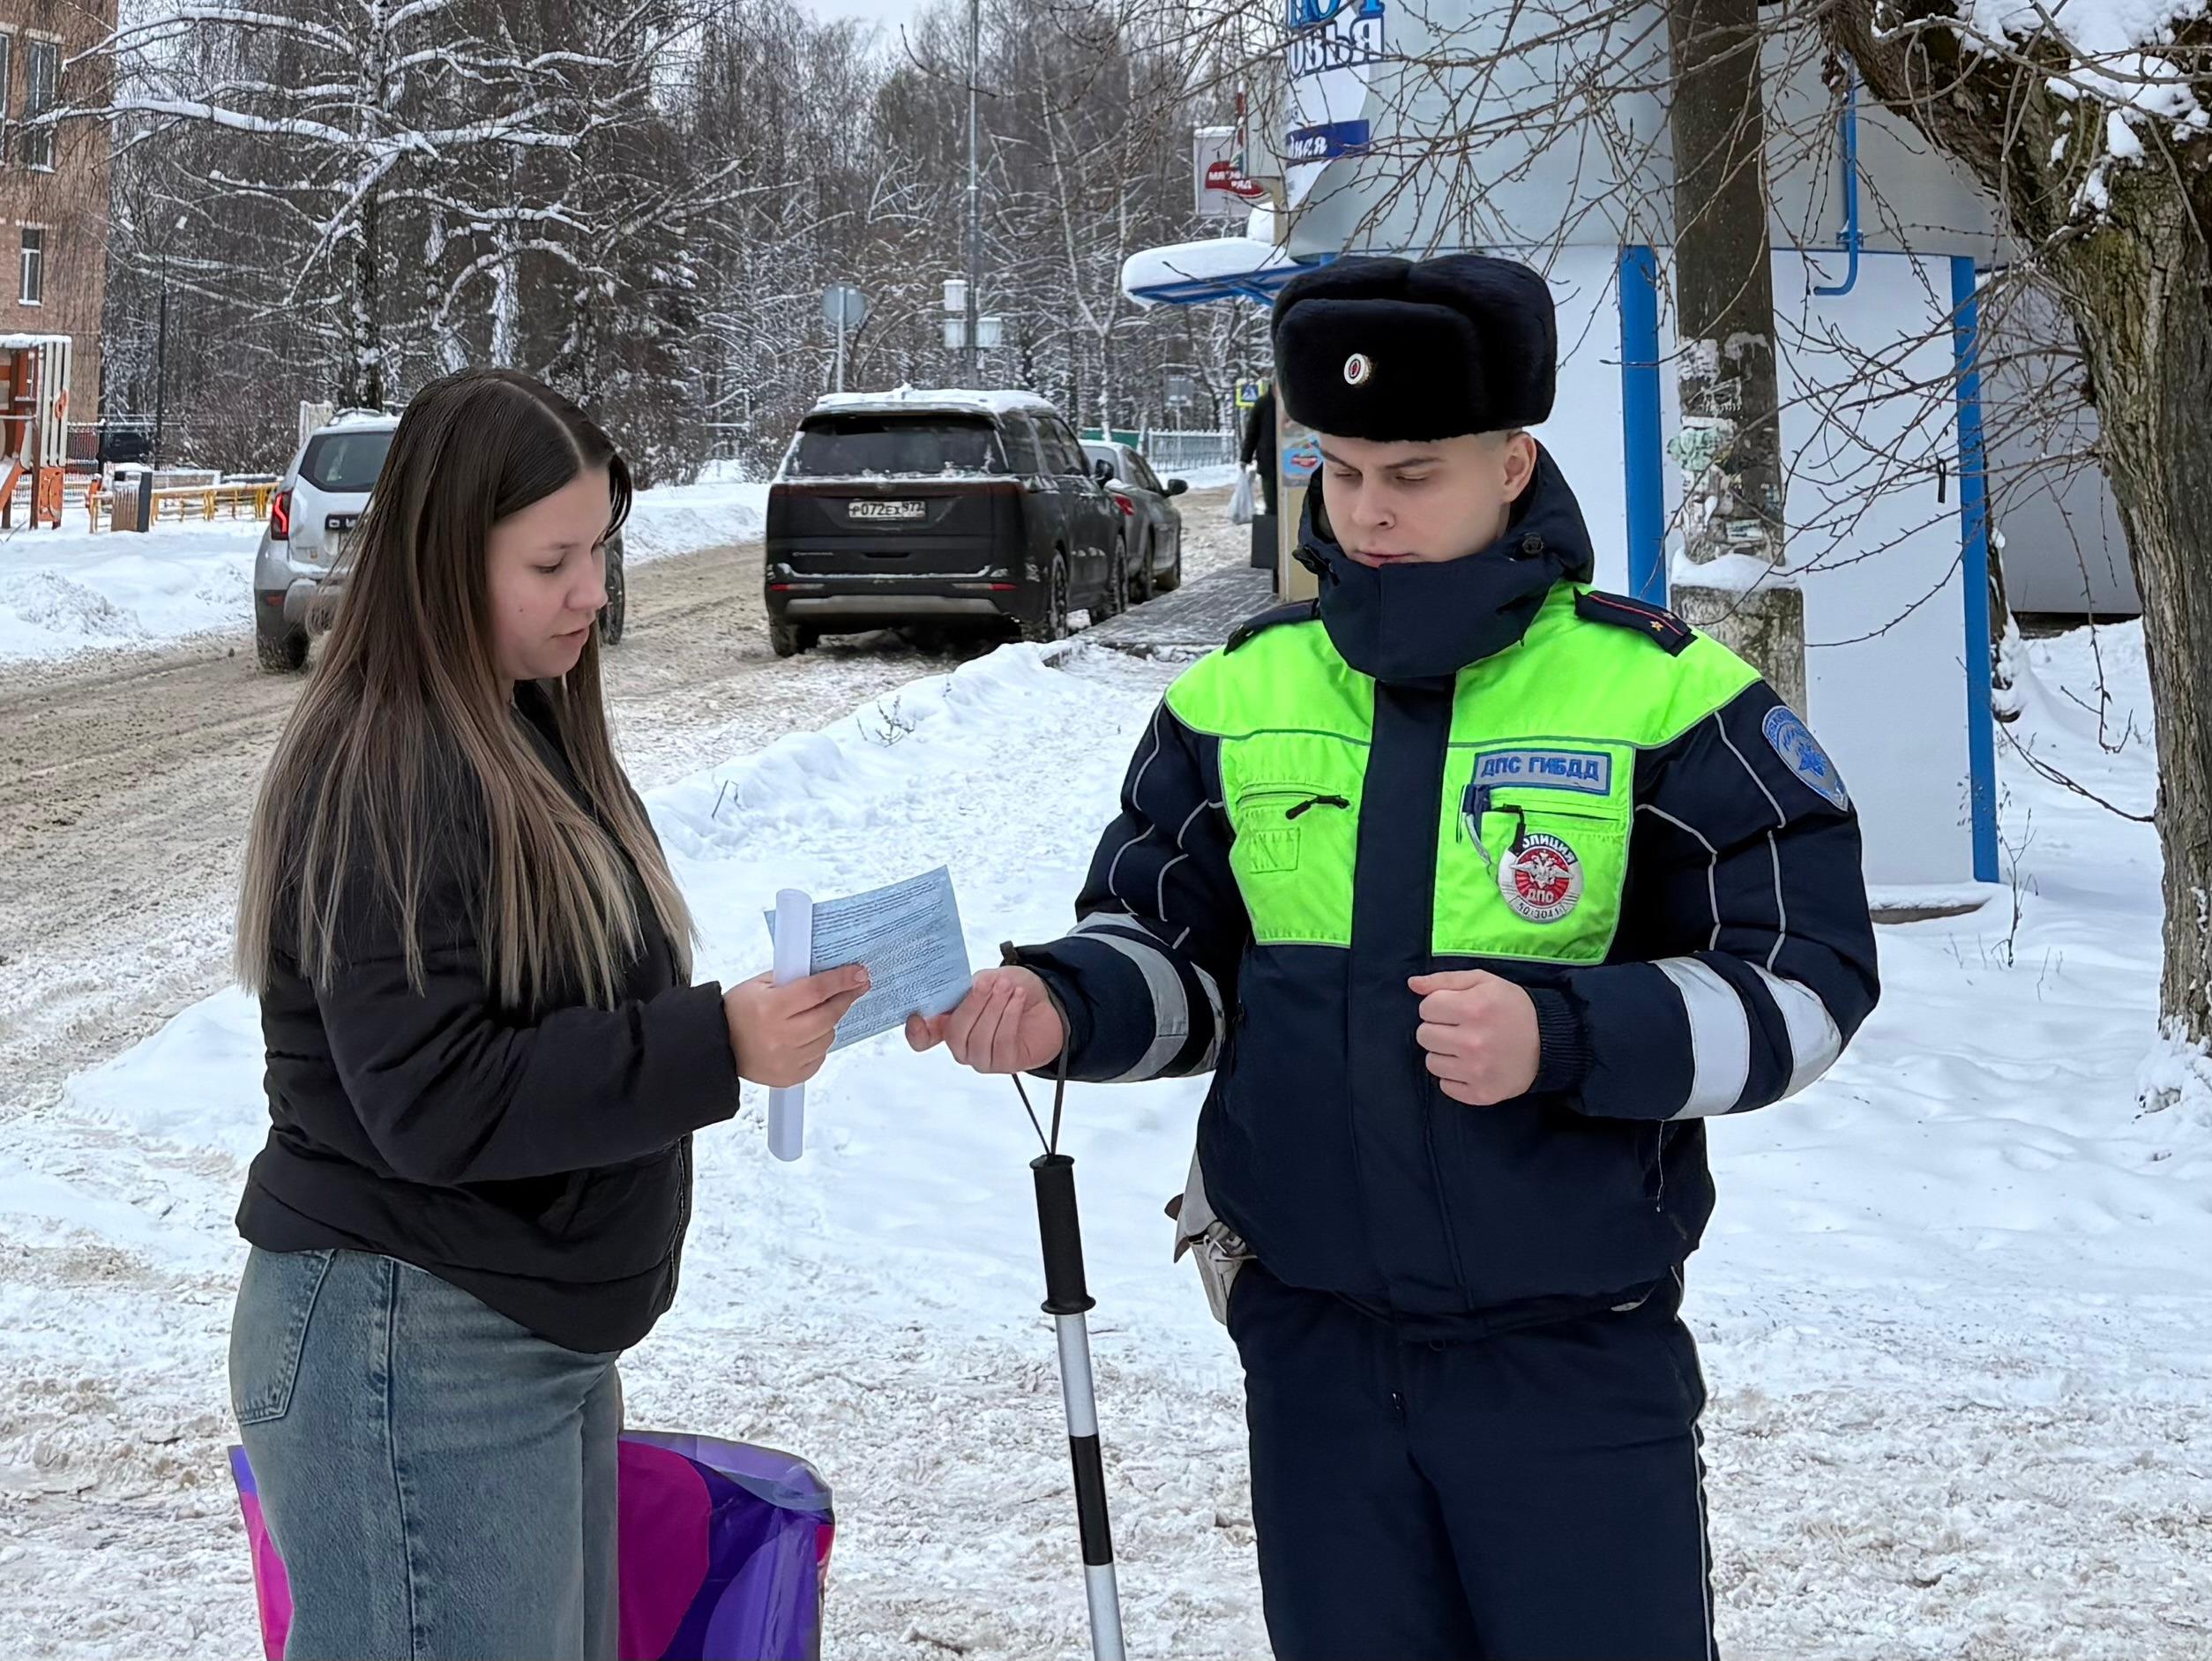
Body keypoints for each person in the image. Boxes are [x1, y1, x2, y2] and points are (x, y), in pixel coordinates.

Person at [911, 255, 1879, 1659]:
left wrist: (1565, 1032)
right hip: (1316, 1359)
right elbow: (1175, 958)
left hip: (1570, 1360)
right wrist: (1060, 1000)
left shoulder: (1668, 696)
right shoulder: (1237, 694)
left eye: (1414, 471)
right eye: (1340, 467)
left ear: (1511, 461)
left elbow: (1807, 983)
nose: (1368, 509)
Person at [228, 367, 869, 1661]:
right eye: (552, 559)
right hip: (409, 1344)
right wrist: (714, 1041)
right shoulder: (391, 766)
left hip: (515, 1333)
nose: (593, 590)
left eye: (601, 551)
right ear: (439, 566)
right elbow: (437, 1095)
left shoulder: (519, 726)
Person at [1239, 384, 1279, 519]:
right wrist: (1246, 457)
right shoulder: (1263, 404)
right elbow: (1252, 432)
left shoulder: (1294, 401)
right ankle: (1273, 534)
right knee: (1272, 505)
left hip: (1295, 462)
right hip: (1269, 463)